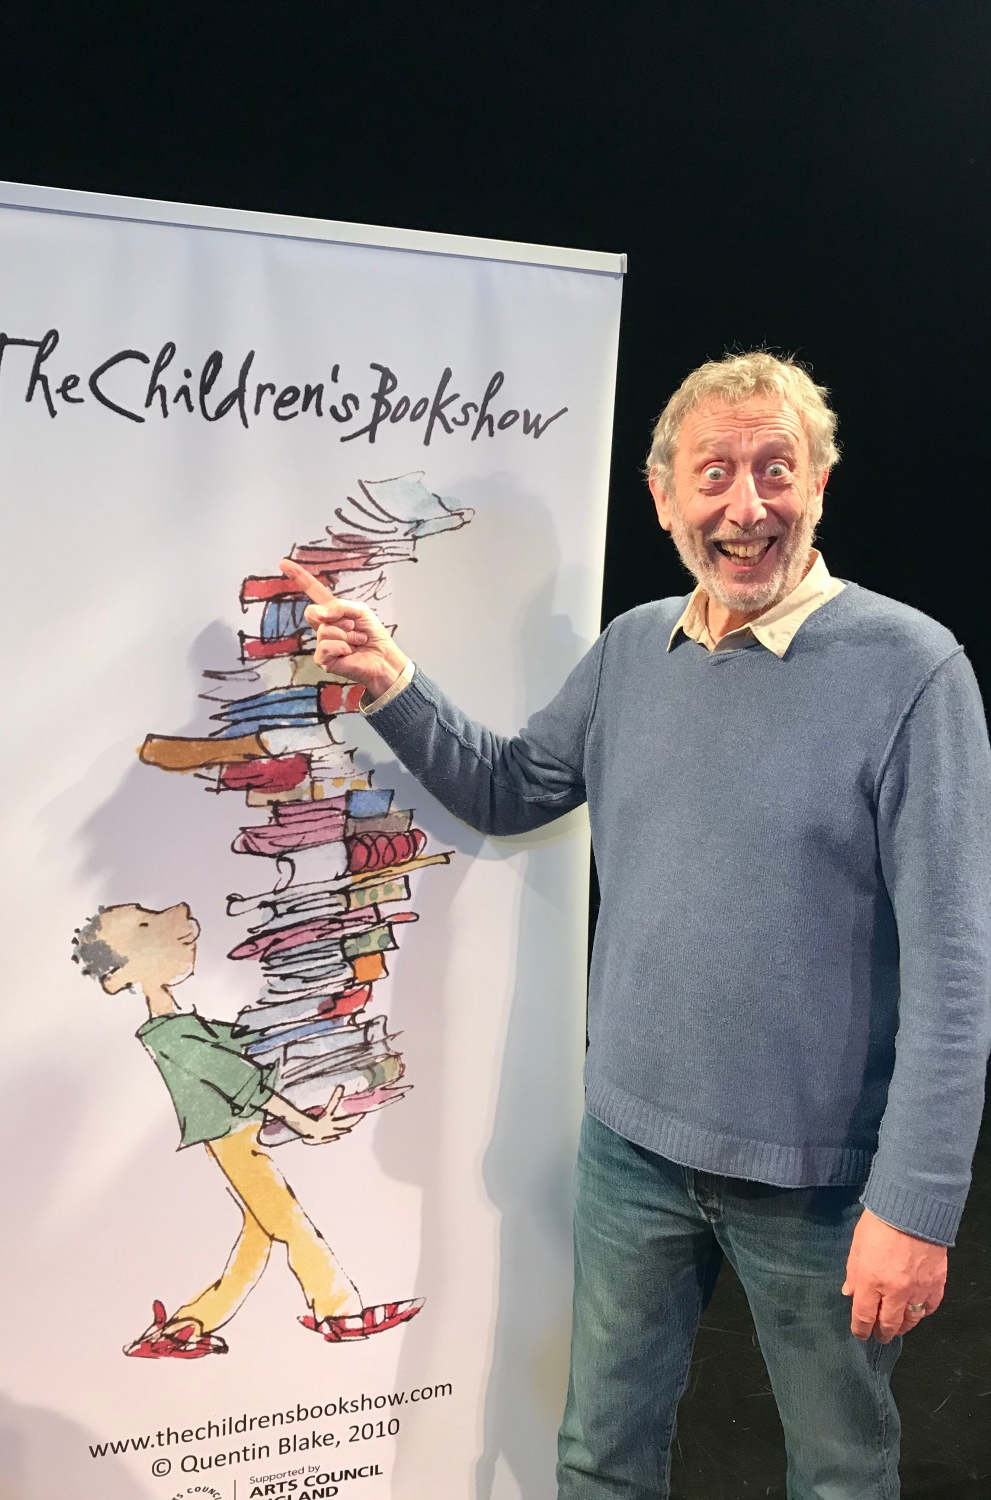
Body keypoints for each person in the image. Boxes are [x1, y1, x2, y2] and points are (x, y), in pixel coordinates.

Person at [279, 350, 991, 1499]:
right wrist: (391, 680)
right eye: (714, 473)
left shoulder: (914, 673)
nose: (746, 506)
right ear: (663, 497)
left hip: (820, 1185)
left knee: (839, 1477)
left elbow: (957, 975)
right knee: (598, 1461)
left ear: (819, 483)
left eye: (776, 469)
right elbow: (511, 788)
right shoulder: (630, 650)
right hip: (630, 1155)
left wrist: (914, 1207)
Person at [72, 900, 422, 1356]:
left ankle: (185, 1326)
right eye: (143, 925)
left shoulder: (182, 1025)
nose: (173, 915)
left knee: (258, 1236)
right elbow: (242, 1081)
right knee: (291, 1225)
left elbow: (246, 1046)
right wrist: (304, 1123)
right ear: (121, 975)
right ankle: (339, 1312)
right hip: (233, 1142)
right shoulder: (172, 1036)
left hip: (239, 1137)